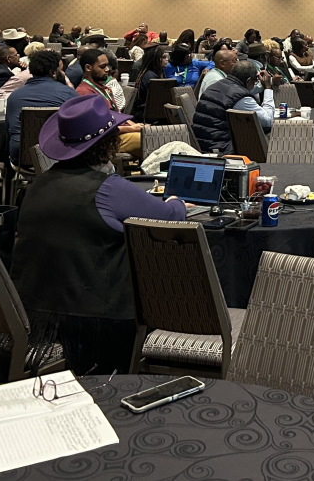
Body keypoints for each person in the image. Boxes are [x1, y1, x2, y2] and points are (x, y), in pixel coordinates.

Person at [11, 95, 186, 373]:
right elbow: (170, 218)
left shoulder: (36, 185)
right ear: (110, 143)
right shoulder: (109, 188)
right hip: (97, 322)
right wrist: (177, 201)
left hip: (33, 313)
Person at [5, 48, 78, 163]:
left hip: (22, 158)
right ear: (53, 73)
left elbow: (9, 130)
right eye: (61, 70)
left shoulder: (14, 97)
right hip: (60, 157)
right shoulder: (69, 94)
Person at [193, 59, 277, 151]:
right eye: (255, 82)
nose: (255, 84)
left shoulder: (215, 86)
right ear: (248, 81)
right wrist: (268, 88)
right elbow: (268, 121)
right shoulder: (240, 98)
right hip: (221, 148)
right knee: (273, 135)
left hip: (201, 144)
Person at [75, 49, 142, 156]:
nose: (107, 69)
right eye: (102, 67)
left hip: (120, 132)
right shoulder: (84, 93)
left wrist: (138, 126)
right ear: (88, 68)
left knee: (154, 133)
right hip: (107, 141)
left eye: (107, 65)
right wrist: (132, 128)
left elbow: (118, 115)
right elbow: (99, 129)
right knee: (149, 140)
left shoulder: (105, 88)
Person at [133, 44, 169, 116]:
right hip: (146, 113)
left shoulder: (157, 72)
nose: (167, 59)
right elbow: (157, 99)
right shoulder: (151, 76)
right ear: (156, 59)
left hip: (152, 110)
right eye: (164, 57)